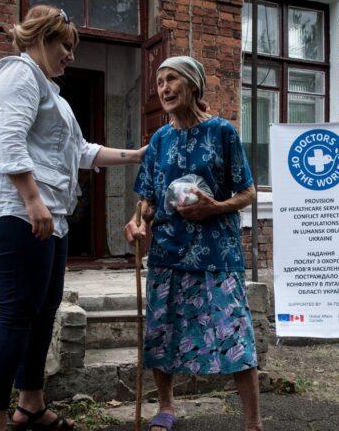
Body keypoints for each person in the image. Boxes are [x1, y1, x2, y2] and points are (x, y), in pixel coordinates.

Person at [0, 5, 147, 431]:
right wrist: (31, 198)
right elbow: (8, 137)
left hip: (50, 215)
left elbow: (81, 151)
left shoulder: (52, 94)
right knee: (15, 313)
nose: (70, 54)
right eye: (64, 45)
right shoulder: (18, 73)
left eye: (72, 47)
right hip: (16, 210)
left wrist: (137, 155)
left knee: (43, 309)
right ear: (40, 38)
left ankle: (30, 403)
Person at [124, 56, 262, 431]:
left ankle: (252, 422)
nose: (164, 89)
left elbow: (248, 191)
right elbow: (148, 200)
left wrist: (217, 206)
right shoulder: (159, 140)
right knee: (161, 331)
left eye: (172, 80)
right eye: (160, 82)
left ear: (193, 85)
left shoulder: (222, 132)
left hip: (217, 254)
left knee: (234, 330)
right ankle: (166, 407)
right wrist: (137, 223)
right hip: (168, 253)